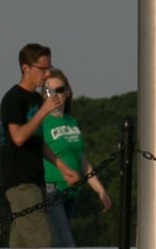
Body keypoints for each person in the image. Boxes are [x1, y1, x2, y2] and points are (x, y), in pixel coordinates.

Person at [1, 44, 73, 248]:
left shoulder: (35, 98)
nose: (47, 74)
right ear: (26, 68)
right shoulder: (13, 98)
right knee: (44, 241)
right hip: (20, 183)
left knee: (21, 244)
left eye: (49, 67)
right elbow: (18, 138)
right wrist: (43, 111)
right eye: (42, 69)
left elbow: (38, 142)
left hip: (37, 181)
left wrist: (63, 167)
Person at [39, 69, 112, 247]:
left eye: (60, 90)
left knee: (58, 242)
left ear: (68, 92)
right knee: (66, 243)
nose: (55, 95)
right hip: (51, 188)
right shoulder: (42, 121)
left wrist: (99, 189)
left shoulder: (71, 121)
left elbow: (82, 159)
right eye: (49, 91)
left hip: (71, 192)